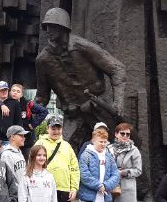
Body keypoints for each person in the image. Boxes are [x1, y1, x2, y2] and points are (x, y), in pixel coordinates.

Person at [34, 8, 126, 145]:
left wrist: (118, 103)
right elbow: (42, 97)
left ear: (63, 27)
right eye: (47, 27)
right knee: (65, 149)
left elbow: (117, 69)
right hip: (73, 115)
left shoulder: (82, 47)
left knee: (114, 146)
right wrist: (28, 116)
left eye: (54, 26)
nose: (49, 30)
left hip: (98, 109)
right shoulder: (43, 60)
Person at [36, 115, 80, 202]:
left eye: (58, 128)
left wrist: (74, 188)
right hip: (44, 188)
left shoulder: (67, 146)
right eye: (53, 128)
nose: (56, 131)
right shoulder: (40, 143)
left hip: (64, 189)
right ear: (47, 129)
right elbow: (33, 164)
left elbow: (74, 168)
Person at [0, 83, 48, 157]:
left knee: (24, 158)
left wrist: (33, 124)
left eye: (18, 91)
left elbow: (44, 111)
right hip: (11, 137)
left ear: (22, 94)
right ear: (10, 92)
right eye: (13, 91)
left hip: (26, 138)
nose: (15, 93)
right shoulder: (5, 103)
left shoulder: (27, 104)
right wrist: (2, 105)